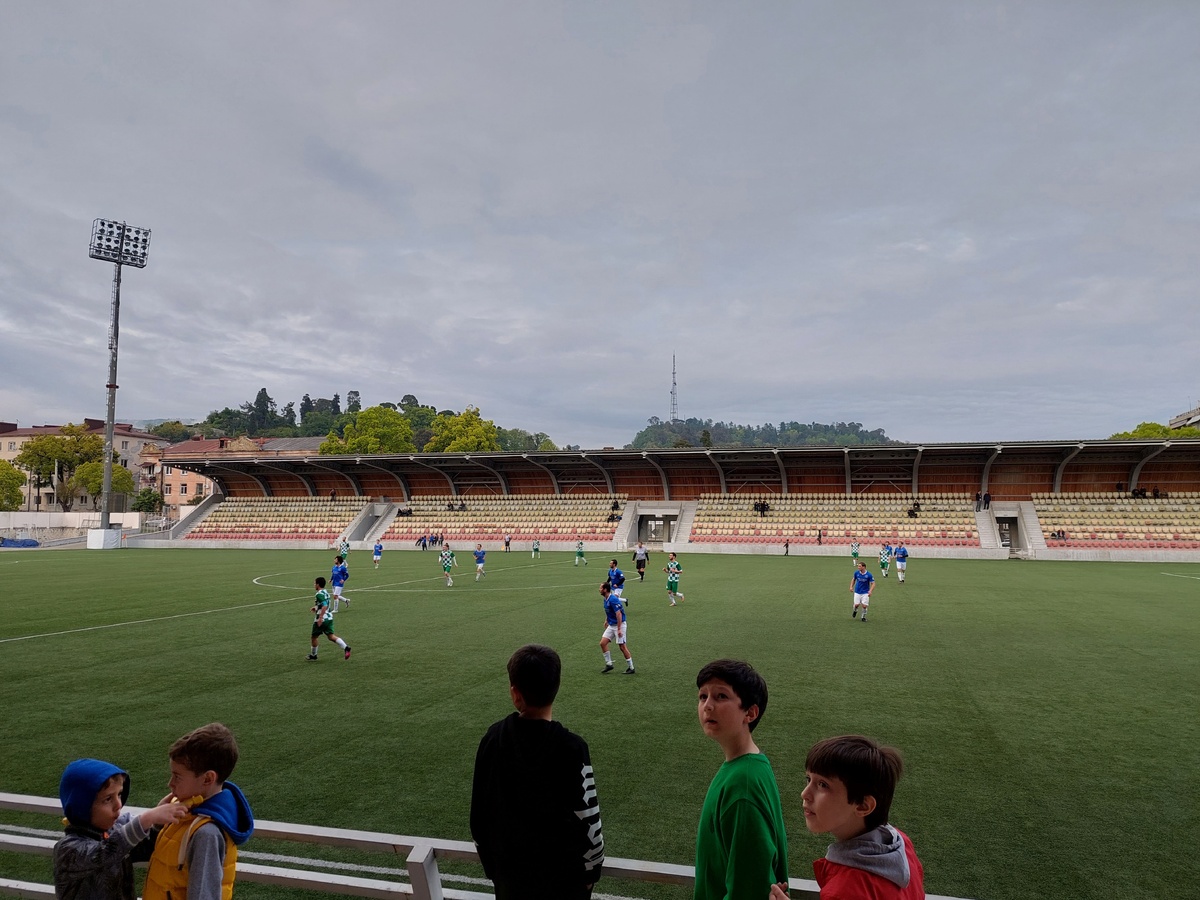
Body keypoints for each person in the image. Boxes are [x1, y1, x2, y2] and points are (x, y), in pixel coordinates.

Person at [470, 644, 605, 900]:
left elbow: (479, 815)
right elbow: (589, 820)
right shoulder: (572, 748)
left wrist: (493, 868)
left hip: (510, 881)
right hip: (564, 885)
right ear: (556, 687)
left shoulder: (493, 738)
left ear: (515, 693)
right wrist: (590, 876)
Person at [770, 735, 924, 900]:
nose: (804, 794)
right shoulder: (901, 843)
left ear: (863, 806)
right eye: (808, 779)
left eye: (823, 784)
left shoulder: (844, 892)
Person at [693, 659, 788, 900]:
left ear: (750, 712)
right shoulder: (748, 767)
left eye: (721, 696)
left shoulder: (742, 786)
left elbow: (751, 890)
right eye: (703, 696)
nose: (708, 706)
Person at [142, 723, 255, 900]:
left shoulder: (206, 834)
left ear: (208, 778)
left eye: (177, 776)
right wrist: (157, 824)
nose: (170, 783)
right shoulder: (184, 810)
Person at [53, 759, 189, 900]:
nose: (118, 804)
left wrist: (157, 825)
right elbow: (105, 853)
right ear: (82, 807)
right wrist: (146, 819)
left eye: (119, 794)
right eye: (108, 799)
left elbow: (146, 850)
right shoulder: (67, 849)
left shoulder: (115, 831)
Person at [308, 577, 351, 660]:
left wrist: (320, 618)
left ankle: (314, 655)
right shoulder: (325, 592)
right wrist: (316, 608)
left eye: (314, 583)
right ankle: (346, 647)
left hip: (321, 619)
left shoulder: (319, 594)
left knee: (314, 637)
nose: (314, 585)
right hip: (329, 617)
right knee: (331, 636)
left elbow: (324, 605)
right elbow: (324, 603)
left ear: (318, 584)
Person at [598, 581, 634, 674]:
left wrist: (619, 629)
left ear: (605, 590)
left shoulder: (613, 599)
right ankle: (609, 664)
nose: (599, 589)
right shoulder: (605, 599)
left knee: (622, 647)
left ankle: (631, 667)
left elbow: (619, 614)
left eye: (601, 588)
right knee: (603, 643)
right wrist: (606, 620)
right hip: (612, 625)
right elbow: (610, 611)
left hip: (620, 624)